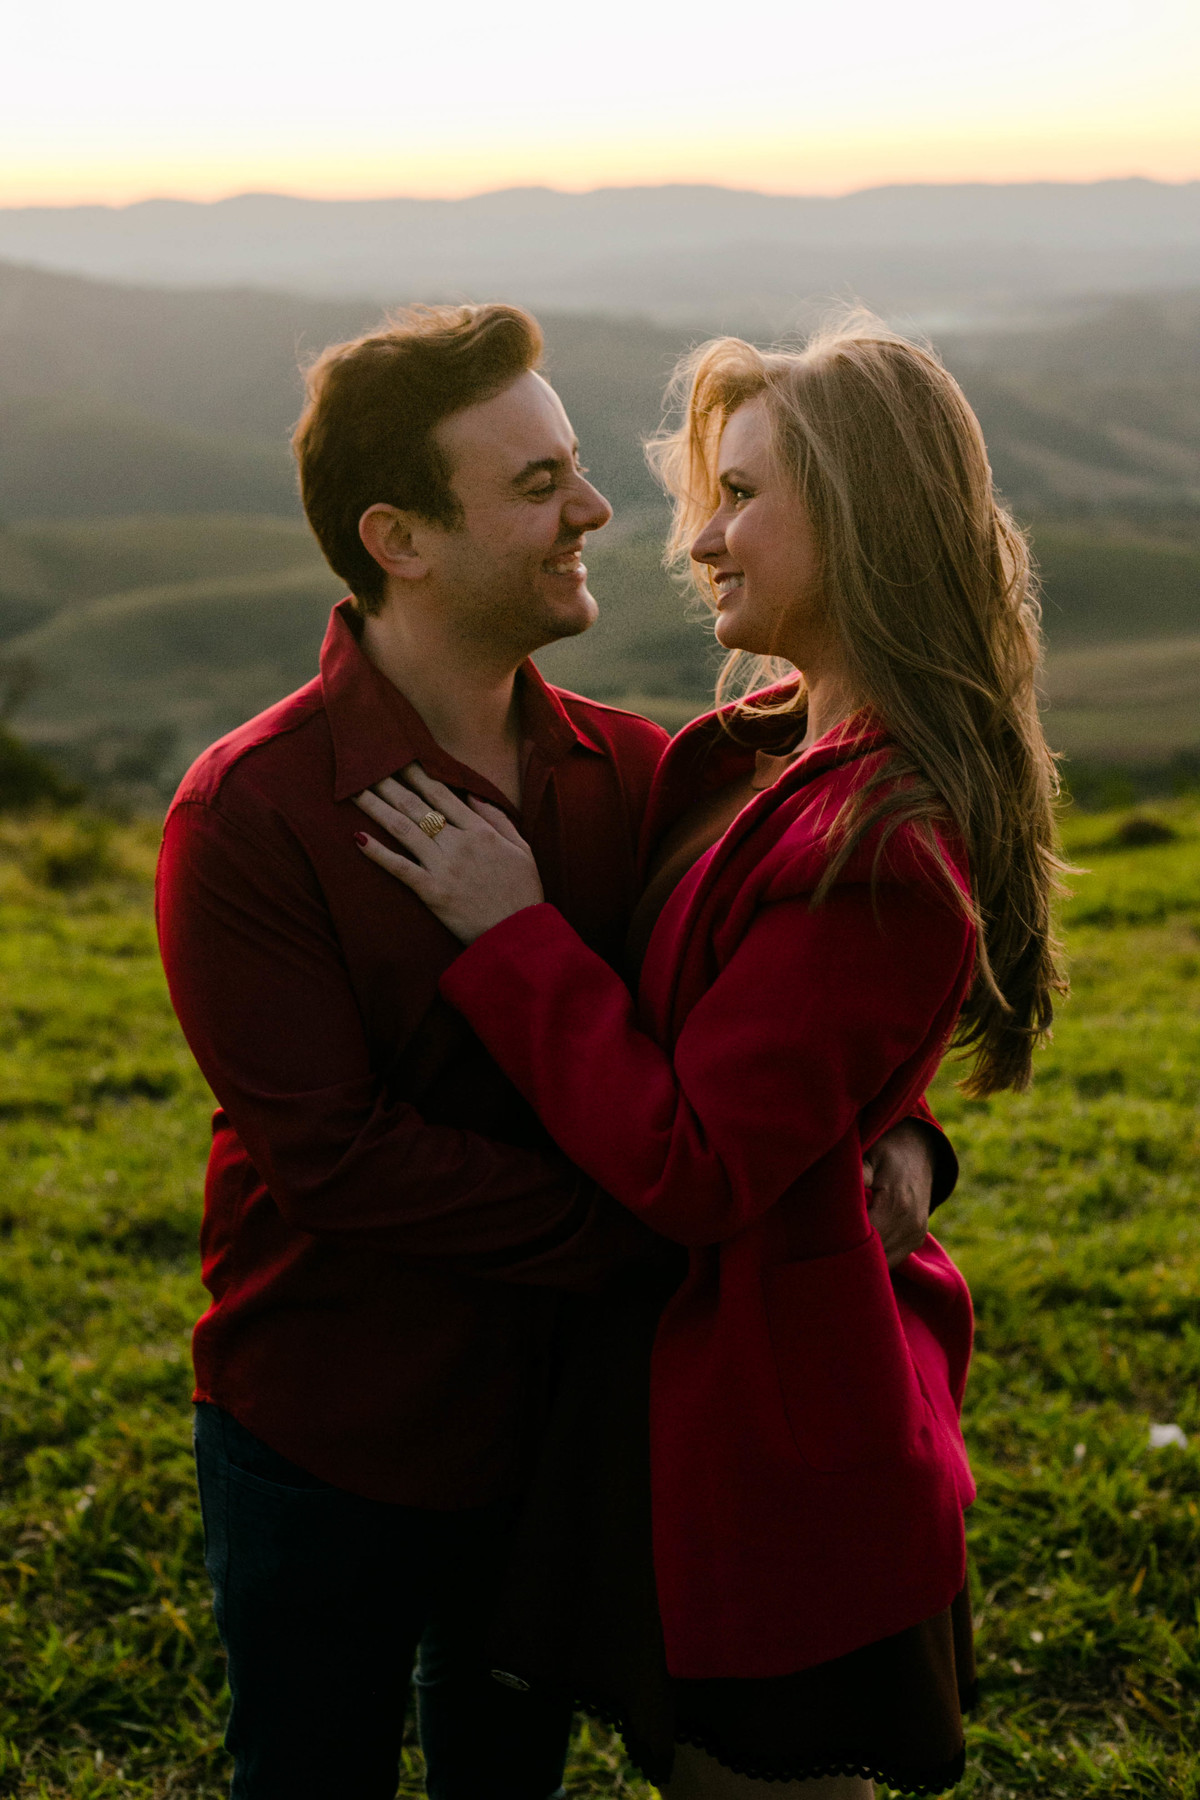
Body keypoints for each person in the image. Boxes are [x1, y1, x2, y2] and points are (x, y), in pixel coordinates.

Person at [155, 303, 948, 1800]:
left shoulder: (644, 776)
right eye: (538, 487)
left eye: (578, 469)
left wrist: (895, 1143)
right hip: (331, 1428)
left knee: (505, 1776)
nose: (598, 510)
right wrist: (672, 1229)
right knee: (305, 1773)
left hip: (566, 1428)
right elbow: (334, 1159)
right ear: (398, 538)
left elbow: (778, 1025)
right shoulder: (248, 817)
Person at [350, 315, 1066, 1798]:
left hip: (777, 1441)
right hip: (684, 1400)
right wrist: (903, 1131)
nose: (700, 539)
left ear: (856, 522)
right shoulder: (757, 754)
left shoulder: (876, 841)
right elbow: (792, 1044)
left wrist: (510, 934)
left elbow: (692, 1163)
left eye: (741, 497)